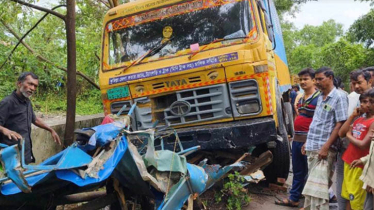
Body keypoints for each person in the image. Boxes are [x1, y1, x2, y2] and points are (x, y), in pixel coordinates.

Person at [301, 67, 348, 210]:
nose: (318, 82)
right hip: (312, 145)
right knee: (312, 187)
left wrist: (326, 147)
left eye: (321, 79)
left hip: (324, 149)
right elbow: (317, 121)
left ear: (331, 78)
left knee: (319, 189)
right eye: (316, 79)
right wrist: (307, 142)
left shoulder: (339, 97)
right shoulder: (320, 96)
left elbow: (340, 124)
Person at [275, 68, 320, 207]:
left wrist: (310, 141)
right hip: (297, 139)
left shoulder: (319, 98)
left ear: (313, 80)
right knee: (298, 170)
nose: (302, 82)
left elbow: (319, 121)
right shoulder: (301, 97)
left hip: (310, 141)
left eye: (306, 79)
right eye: (300, 80)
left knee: (313, 173)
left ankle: (312, 203)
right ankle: (294, 198)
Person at [0, 72, 61, 164]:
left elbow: (35, 119)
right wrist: (5, 130)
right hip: (11, 154)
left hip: (24, 151)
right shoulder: (8, 102)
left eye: (35, 86)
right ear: (19, 83)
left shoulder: (27, 102)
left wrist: (51, 130)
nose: (32, 88)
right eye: (30, 84)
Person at [335, 69, 372, 210]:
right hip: (348, 156)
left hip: (363, 162)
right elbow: (342, 132)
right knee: (347, 193)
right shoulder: (355, 102)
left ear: (369, 81)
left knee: (359, 198)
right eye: (353, 83)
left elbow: (363, 144)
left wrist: (349, 135)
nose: (356, 86)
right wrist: (352, 118)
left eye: (359, 82)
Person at [350, 88, 374, 210]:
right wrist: (364, 160)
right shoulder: (360, 119)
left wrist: (348, 135)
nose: (368, 105)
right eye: (365, 102)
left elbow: (363, 144)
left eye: (371, 102)